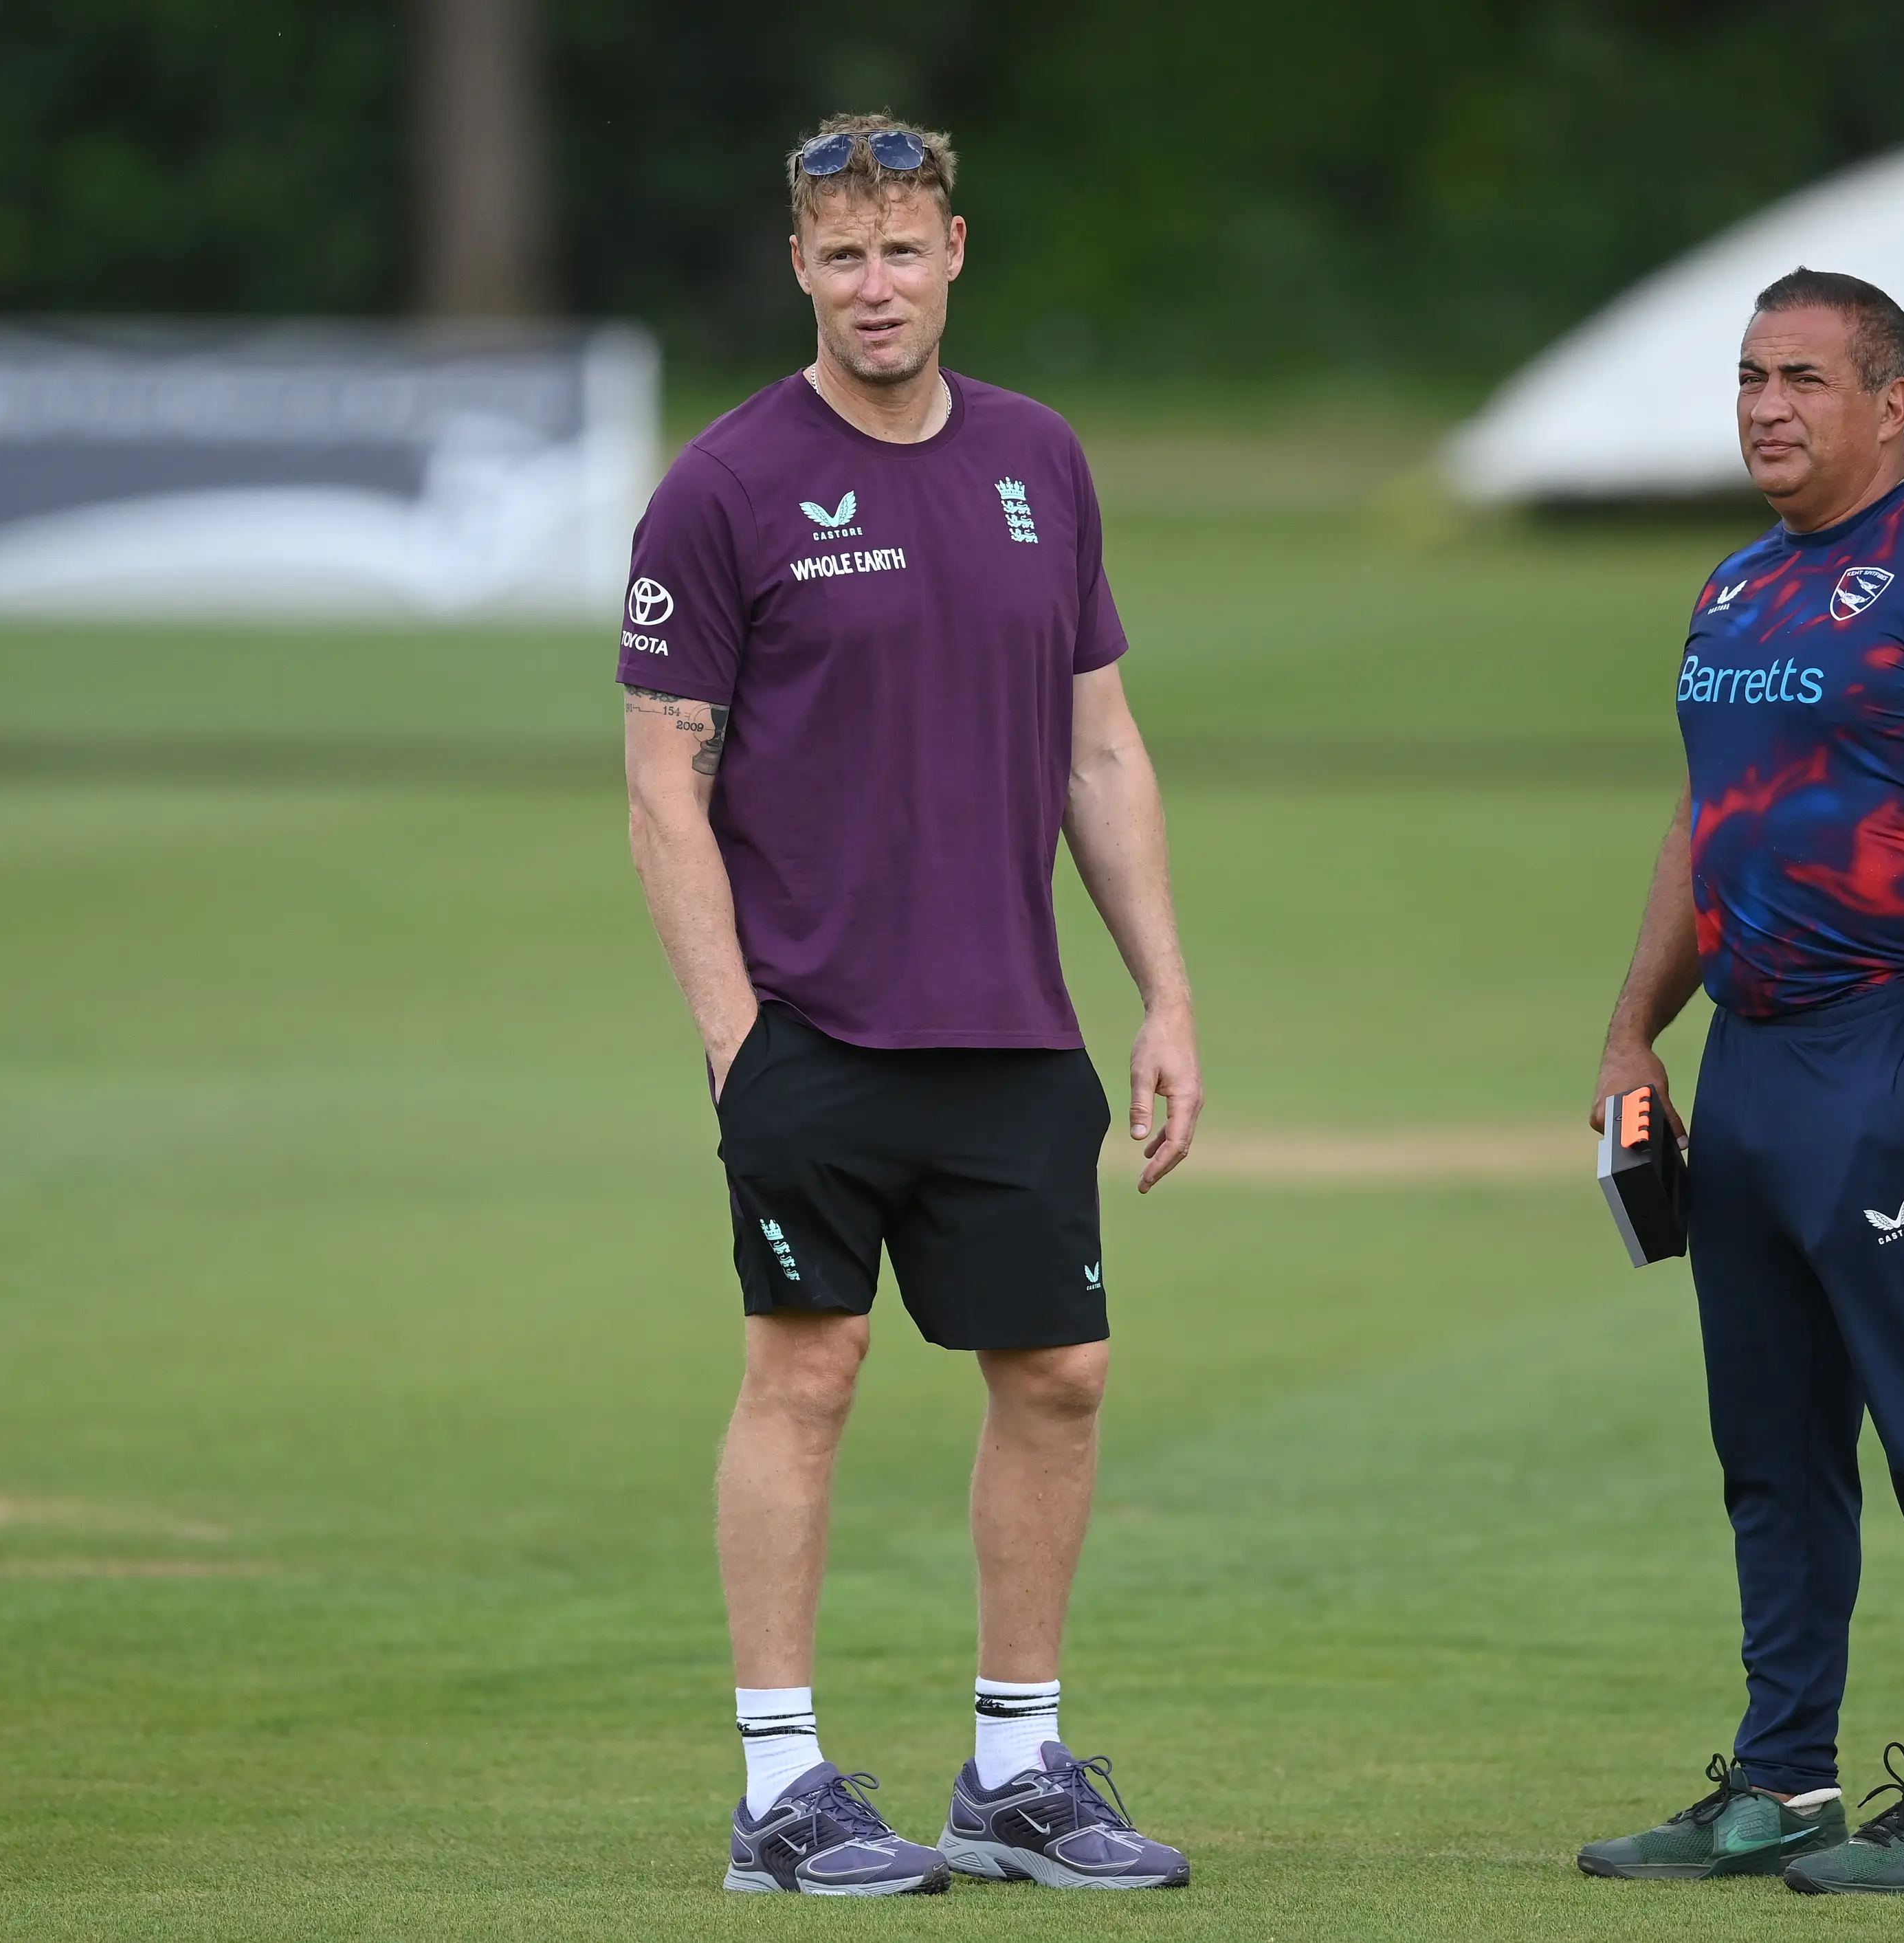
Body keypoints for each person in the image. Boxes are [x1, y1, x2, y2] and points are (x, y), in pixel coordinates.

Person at [619, 113, 1199, 1897]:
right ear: (798, 269)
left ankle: (1014, 1771)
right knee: (809, 1369)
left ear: (957, 252)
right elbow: (664, 777)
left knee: (1065, 1374)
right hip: (815, 1028)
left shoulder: (1041, 459)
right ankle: (780, 1792)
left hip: (1012, 1028)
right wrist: (735, 1035)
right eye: (841, 255)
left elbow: (1101, 745)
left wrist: (1163, 992)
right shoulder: (724, 487)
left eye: (904, 248)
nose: (876, 285)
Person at [1578, 269, 1904, 1896]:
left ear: (1890, 403)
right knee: (1772, 1451)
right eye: (1748, 377)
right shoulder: (1734, 590)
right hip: (1754, 1057)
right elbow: (1699, 826)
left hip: (1890, 1042)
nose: (1767, 406)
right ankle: (1783, 1785)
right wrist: (1636, 1029)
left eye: (1802, 377)